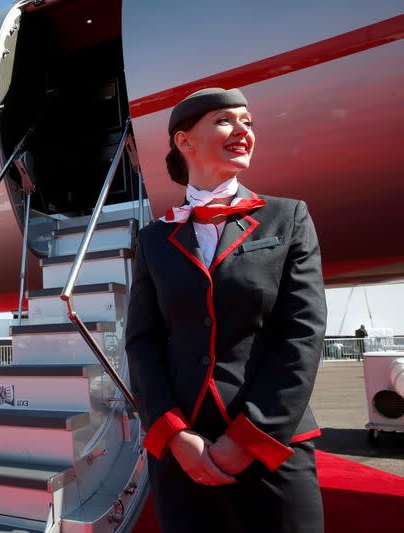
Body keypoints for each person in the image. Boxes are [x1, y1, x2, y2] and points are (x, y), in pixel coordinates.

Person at [126, 88, 326, 532]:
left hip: (272, 444)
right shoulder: (154, 240)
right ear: (184, 141)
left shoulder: (287, 218)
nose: (243, 131)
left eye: (248, 122)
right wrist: (175, 436)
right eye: (225, 120)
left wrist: (249, 437)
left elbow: (303, 335)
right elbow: (142, 343)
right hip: (184, 453)